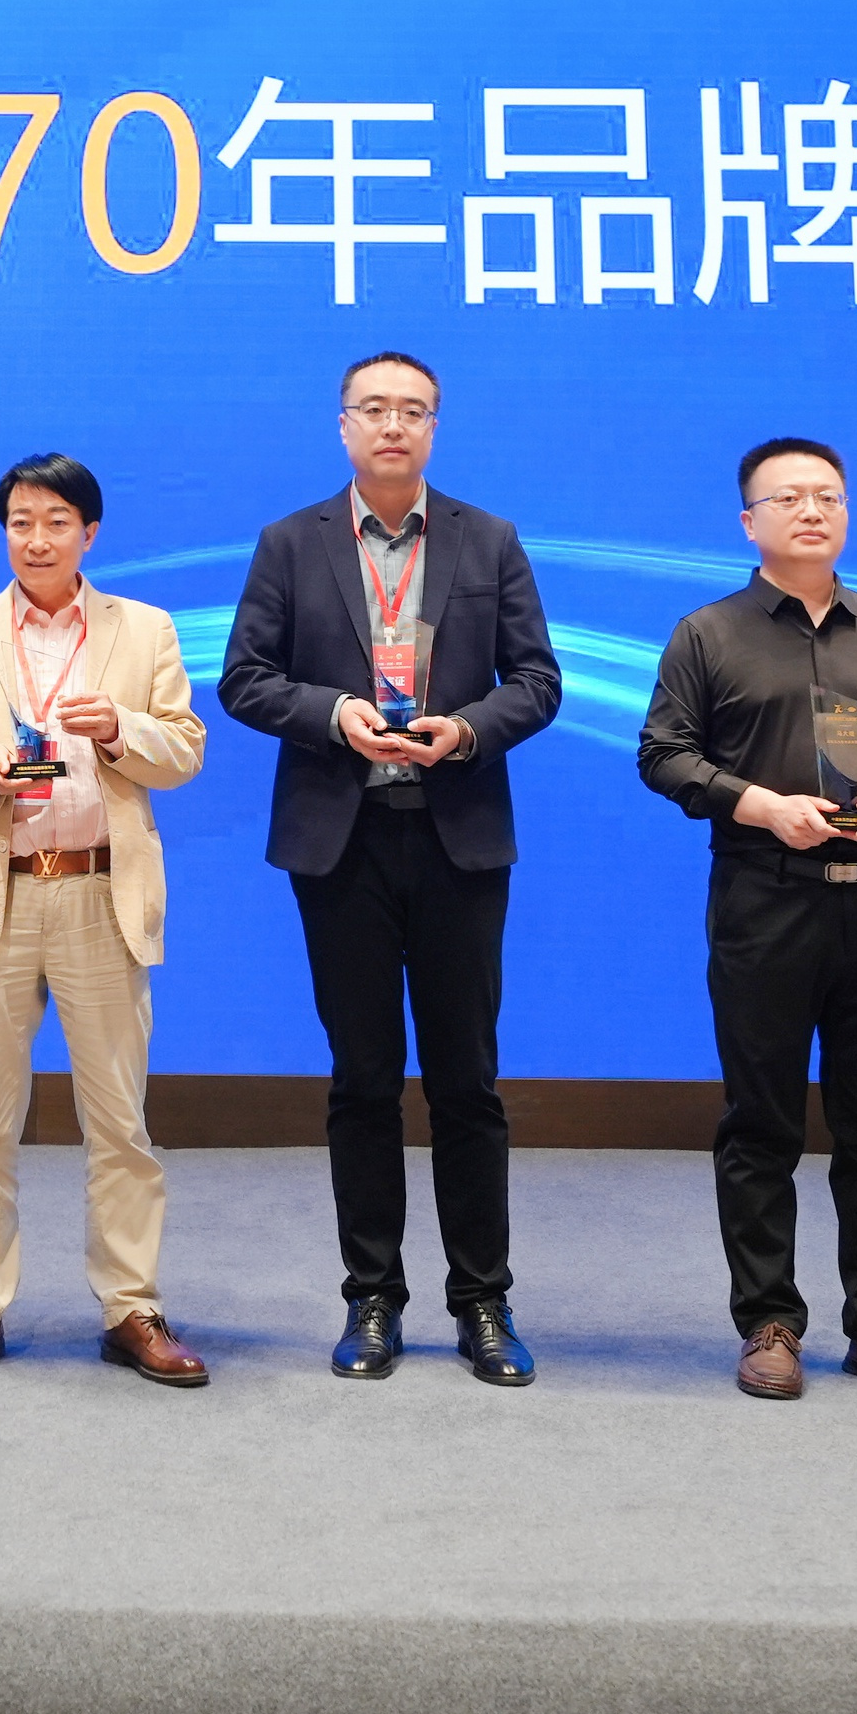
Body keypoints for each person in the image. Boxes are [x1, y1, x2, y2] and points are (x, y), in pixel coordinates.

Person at [219, 350, 563, 1387]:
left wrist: (465, 728)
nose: (393, 425)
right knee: (362, 1077)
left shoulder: (487, 538)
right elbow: (244, 679)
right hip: (342, 842)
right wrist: (335, 714)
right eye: (373, 408)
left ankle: (483, 1299)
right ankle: (372, 1296)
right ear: (343, 425)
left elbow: (537, 679)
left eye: (413, 410)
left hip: (458, 838)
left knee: (468, 1080)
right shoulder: (291, 541)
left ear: (434, 427)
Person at [635, 437, 857, 1405]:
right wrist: (758, 803)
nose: (811, 510)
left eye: (827, 495)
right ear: (749, 520)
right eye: (787, 497)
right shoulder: (708, 632)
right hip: (764, 895)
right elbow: (662, 753)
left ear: (847, 512)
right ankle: (769, 1321)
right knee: (761, 1121)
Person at [0, 452, 212, 1387]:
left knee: (120, 1122)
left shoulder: (144, 629)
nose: (37, 539)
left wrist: (118, 729)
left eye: (57, 522)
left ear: (90, 532)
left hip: (99, 892)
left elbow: (184, 749)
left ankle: (131, 1305)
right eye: (21, 522)